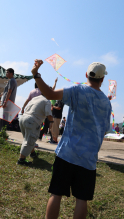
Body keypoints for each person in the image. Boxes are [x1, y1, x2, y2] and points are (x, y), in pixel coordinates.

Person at [31, 59, 112, 219]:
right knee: (82, 199)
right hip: (88, 159)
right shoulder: (106, 102)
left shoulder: (77, 90)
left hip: (67, 153)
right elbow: (104, 130)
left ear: (86, 75)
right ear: (102, 79)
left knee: (56, 194)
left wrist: (36, 75)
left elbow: (49, 94)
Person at [18, 88, 54, 165]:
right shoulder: (47, 101)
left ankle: (33, 153)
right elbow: (48, 114)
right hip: (32, 121)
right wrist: (52, 122)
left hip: (22, 119)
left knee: (28, 138)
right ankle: (21, 160)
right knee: (29, 140)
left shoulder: (35, 98)